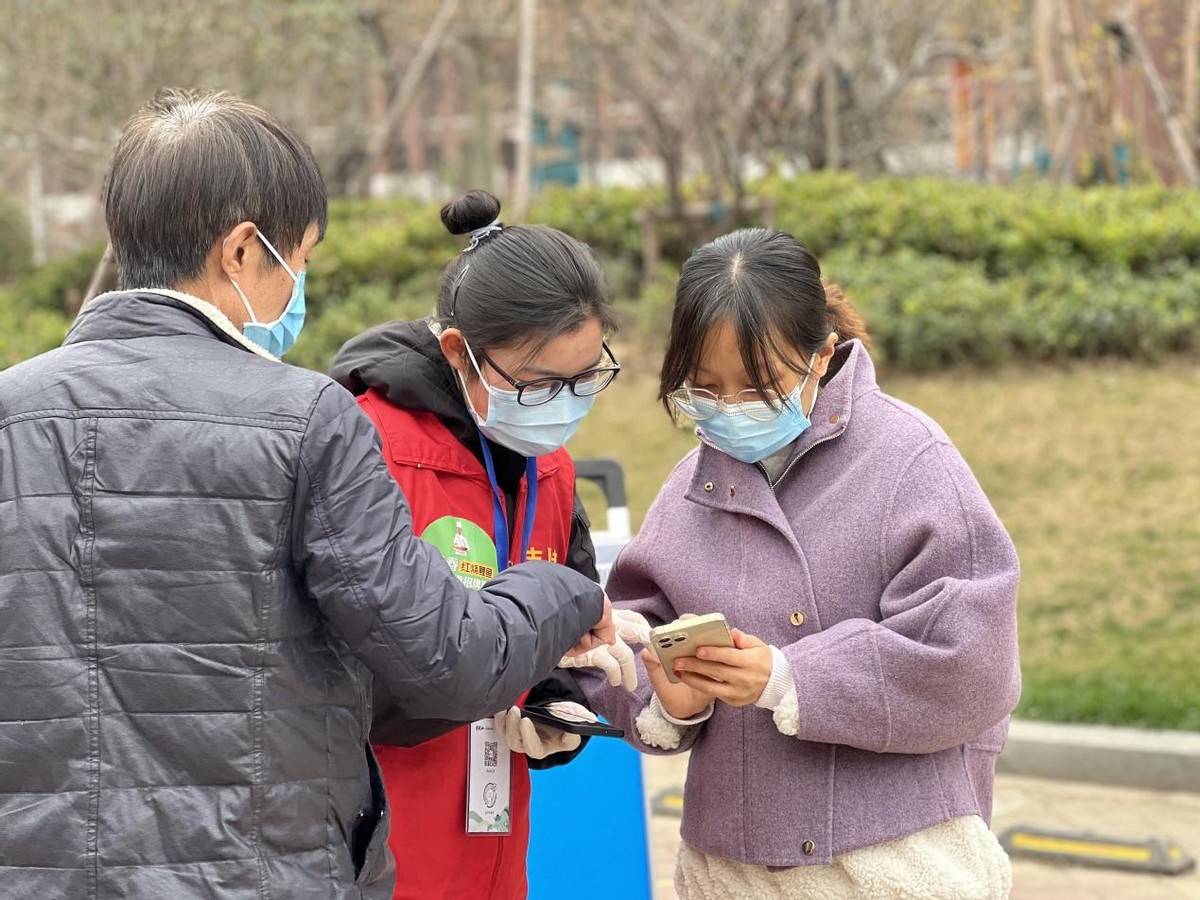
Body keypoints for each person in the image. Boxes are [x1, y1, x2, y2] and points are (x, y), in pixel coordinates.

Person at [0, 90, 613, 899]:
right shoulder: (306, 419)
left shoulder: (11, 415)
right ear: (243, 251)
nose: (301, 288)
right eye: (304, 260)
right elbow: (447, 663)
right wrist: (562, 586)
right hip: (264, 870)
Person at [578, 229, 1021, 899]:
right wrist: (673, 700)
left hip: (892, 867)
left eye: (758, 386)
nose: (727, 410)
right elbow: (633, 634)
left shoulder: (912, 461)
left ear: (822, 357)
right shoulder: (688, 486)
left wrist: (791, 678)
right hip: (731, 871)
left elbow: (970, 662)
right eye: (704, 389)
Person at [331, 190, 632, 899]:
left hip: (493, 841)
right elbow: (332, 671)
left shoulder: (548, 466)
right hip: (374, 840)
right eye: (538, 385)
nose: (565, 402)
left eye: (586, 376)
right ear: (458, 353)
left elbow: (565, 641)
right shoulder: (363, 449)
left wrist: (556, 712)